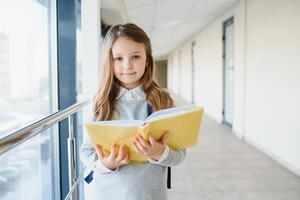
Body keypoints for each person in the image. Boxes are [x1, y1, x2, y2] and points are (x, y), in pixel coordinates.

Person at [79, 23, 186, 200]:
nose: (127, 65)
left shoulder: (163, 101)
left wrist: (160, 153)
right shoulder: (102, 104)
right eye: (118, 58)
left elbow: (179, 154)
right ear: (109, 61)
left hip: (151, 196)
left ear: (147, 60)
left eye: (135, 57)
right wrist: (106, 164)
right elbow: (86, 152)